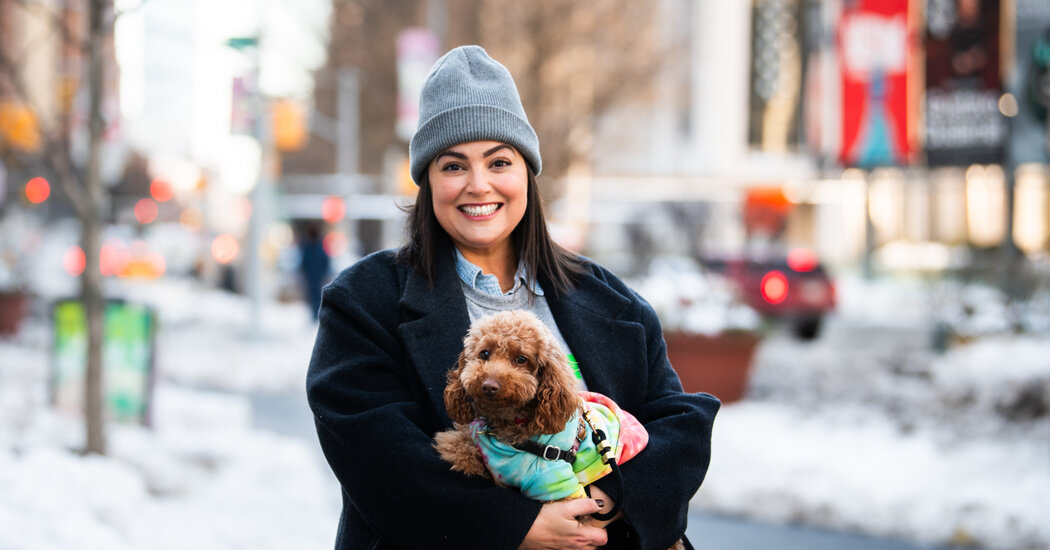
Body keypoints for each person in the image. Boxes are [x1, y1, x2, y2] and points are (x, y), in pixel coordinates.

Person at [307, 45, 720, 550]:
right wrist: (516, 527)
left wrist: (605, 497)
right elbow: (375, 456)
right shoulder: (364, 301)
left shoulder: (612, 300)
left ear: (526, 171)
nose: (478, 186)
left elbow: (677, 427)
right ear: (427, 180)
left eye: (499, 161)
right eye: (453, 166)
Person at [297, 224, 331, 320]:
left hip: (314, 276)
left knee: (314, 295)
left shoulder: (309, 248)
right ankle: (315, 315)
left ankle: (315, 315)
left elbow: (304, 263)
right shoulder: (318, 247)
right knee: (315, 295)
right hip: (316, 276)